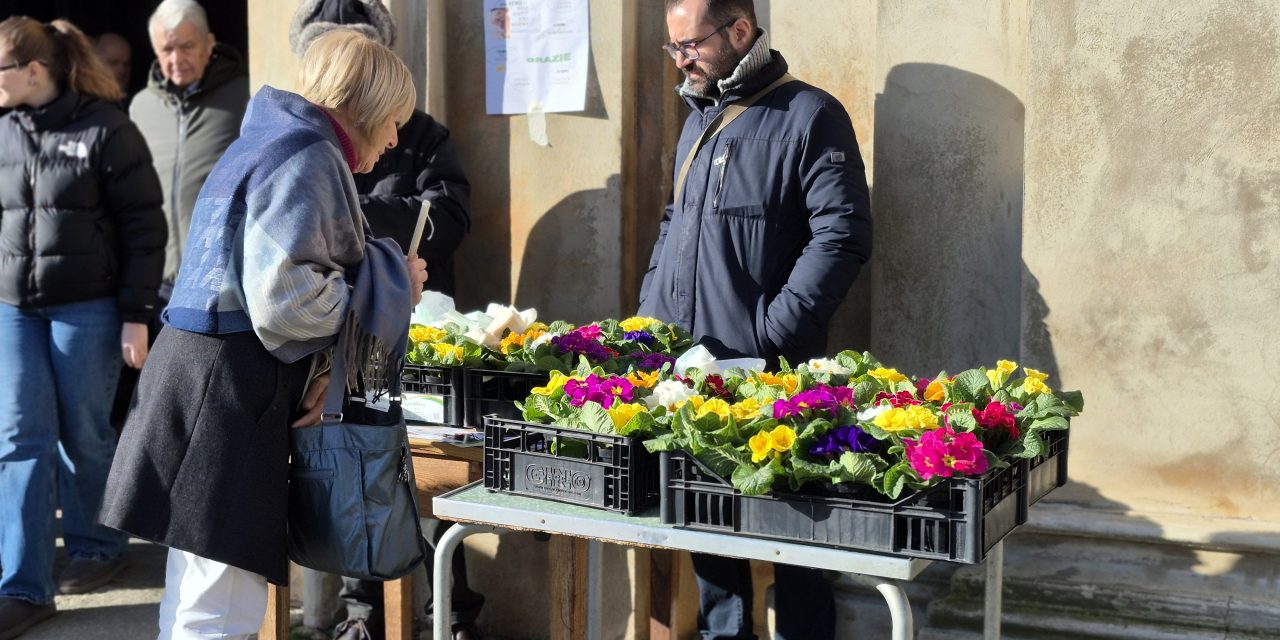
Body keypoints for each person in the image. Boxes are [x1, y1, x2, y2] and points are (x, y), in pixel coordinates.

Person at [99, 30, 428, 638]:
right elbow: (286, 306)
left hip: (202, 379)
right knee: (220, 604)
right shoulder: (306, 153)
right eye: (393, 122)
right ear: (367, 108)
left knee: (201, 588)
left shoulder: (266, 139)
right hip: (224, 394)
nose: (394, 140)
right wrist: (393, 288)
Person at [637, 1, 873, 638]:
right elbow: (674, 224)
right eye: (673, 48)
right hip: (694, 370)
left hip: (777, 376)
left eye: (691, 45)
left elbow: (842, 235)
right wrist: (650, 317)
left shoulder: (811, 114)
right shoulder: (698, 121)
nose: (681, 60)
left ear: (740, 31)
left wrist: (775, 332)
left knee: (797, 542)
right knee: (709, 536)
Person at [288, 3, 478, 638]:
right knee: (350, 466)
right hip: (332, 334)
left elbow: (446, 215)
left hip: (413, 323)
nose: (386, 140)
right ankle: (362, 615)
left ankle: (450, 613)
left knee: (426, 476)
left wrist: (357, 224)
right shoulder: (303, 145)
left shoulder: (422, 133)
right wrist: (368, 222)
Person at [0, 16, 166, 639]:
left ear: (34, 71)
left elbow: (145, 229)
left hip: (88, 309)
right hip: (15, 310)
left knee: (84, 434)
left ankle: (98, 544)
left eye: (1, 68)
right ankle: (23, 585)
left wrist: (135, 314)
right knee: (19, 440)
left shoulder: (106, 129)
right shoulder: (5, 132)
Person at [131, 0, 248, 302]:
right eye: (166, 50)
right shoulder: (141, 107)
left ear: (209, 44)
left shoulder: (245, 95)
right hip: (159, 282)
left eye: (186, 46)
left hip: (224, 279)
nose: (176, 59)